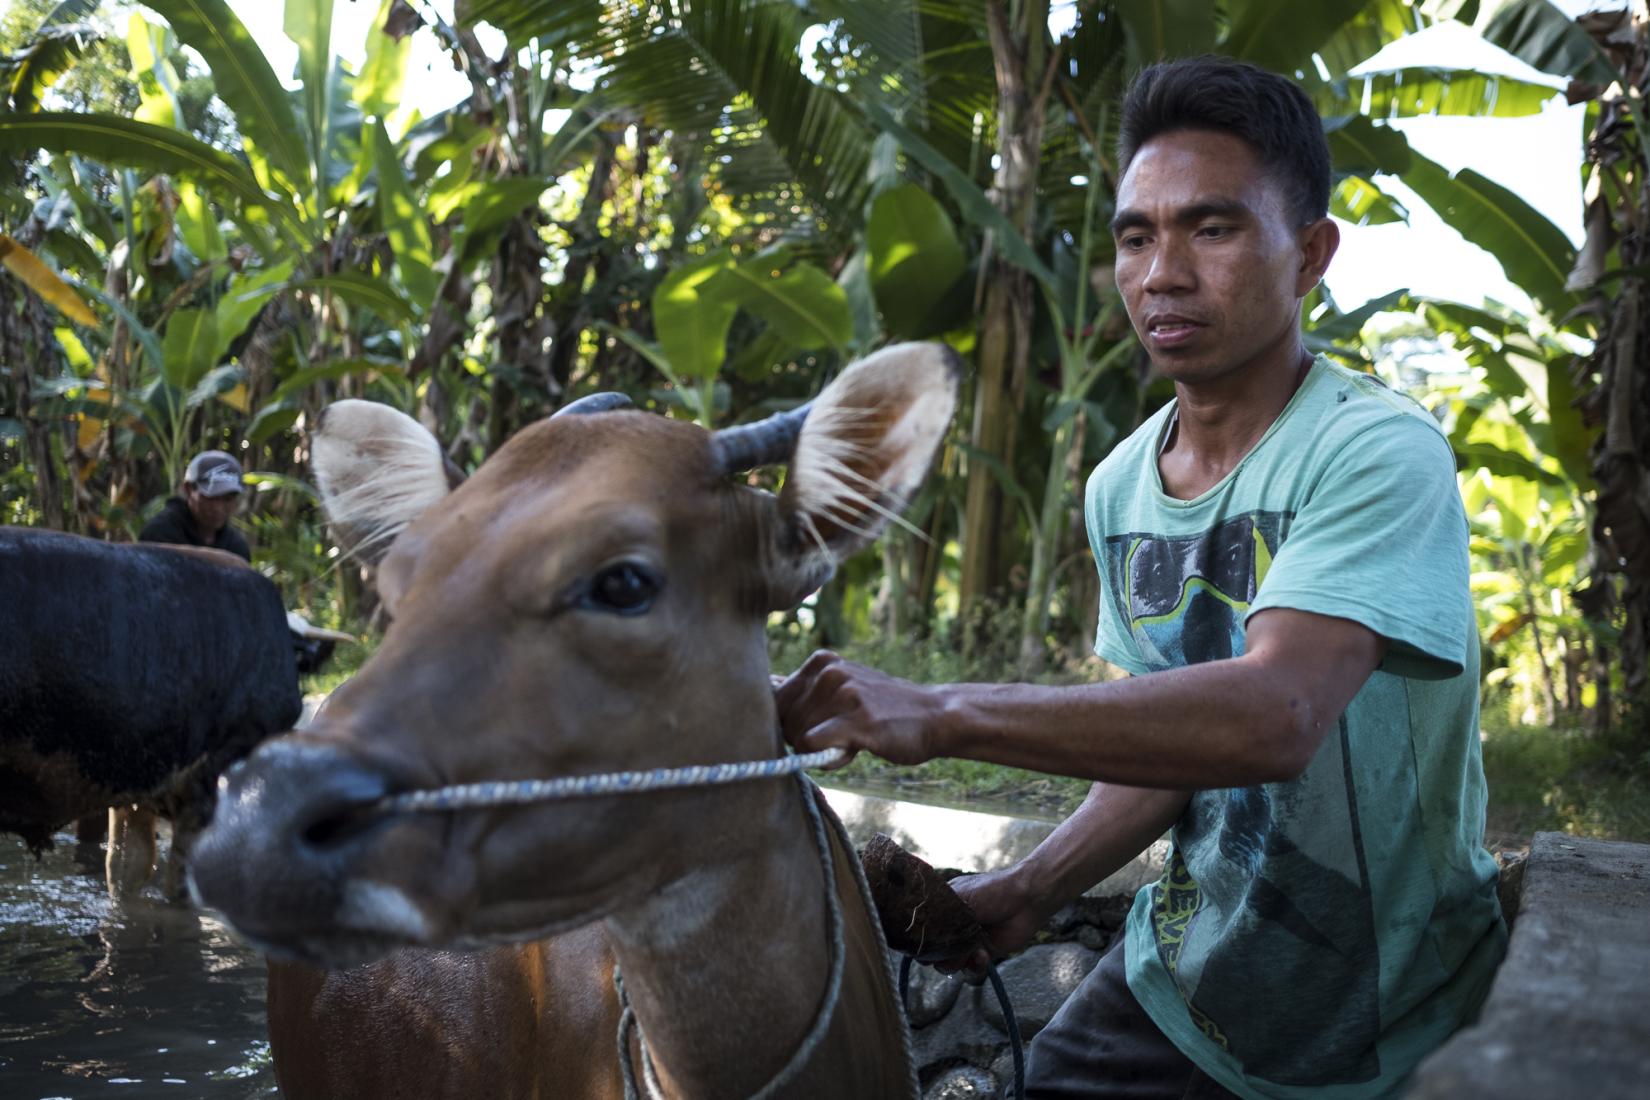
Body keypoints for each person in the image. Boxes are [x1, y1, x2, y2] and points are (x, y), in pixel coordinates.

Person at [777, 56, 1505, 1099]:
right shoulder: (1121, 482)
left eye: (1211, 228)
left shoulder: (1375, 452)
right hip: (1182, 979)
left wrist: (944, 709)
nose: (1161, 271)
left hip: (1384, 1010)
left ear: (1309, 256)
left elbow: (1272, 713)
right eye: (1134, 234)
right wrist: (1032, 885)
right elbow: (1173, 743)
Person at [139, 449, 251, 562]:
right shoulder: (160, 533)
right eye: (211, 498)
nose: (218, 508)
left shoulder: (236, 547)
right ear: (188, 489)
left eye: (228, 499)